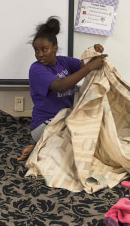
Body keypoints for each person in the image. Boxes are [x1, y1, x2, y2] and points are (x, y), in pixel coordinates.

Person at [17, 16, 106, 162]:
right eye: (36, 51)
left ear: (55, 48)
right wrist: (90, 67)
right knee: (79, 147)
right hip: (45, 125)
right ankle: (40, 146)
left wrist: (93, 52)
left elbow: (84, 65)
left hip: (65, 120)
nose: (40, 54)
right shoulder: (36, 69)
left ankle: (41, 147)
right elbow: (61, 85)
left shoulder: (64, 61)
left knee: (93, 134)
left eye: (44, 49)